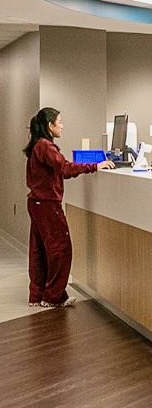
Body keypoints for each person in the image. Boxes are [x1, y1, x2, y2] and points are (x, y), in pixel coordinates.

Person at [24, 107, 115, 308]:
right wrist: (95, 166)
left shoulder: (38, 146)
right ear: (50, 125)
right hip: (48, 205)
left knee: (39, 250)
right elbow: (65, 168)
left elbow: (60, 172)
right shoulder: (46, 146)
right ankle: (54, 296)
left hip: (37, 203)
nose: (63, 126)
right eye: (60, 121)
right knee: (60, 249)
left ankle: (37, 295)